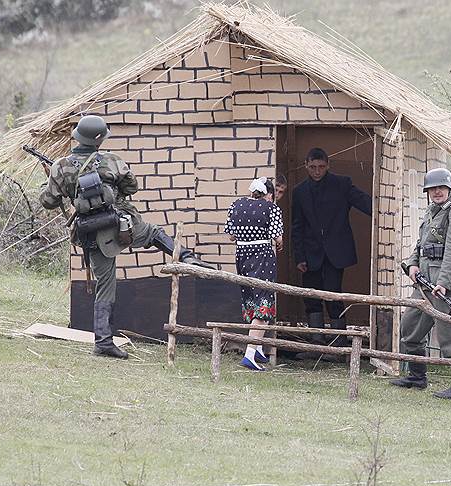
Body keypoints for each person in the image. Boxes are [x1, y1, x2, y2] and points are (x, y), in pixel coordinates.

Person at [40, 115, 212, 360]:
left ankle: (103, 342)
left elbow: (48, 202)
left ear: (79, 137)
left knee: (105, 286)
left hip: (90, 232)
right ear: (98, 140)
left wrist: (52, 181)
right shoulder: (112, 160)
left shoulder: (60, 166)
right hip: (120, 224)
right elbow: (132, 187)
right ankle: (186, 256)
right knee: (153, 233)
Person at [390, 168, 451, 399]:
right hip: (425, 284)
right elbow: (421, 245)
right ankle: (417, 377)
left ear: (449, 188)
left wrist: (445, 282)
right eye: (432, 188)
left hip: (446, 287)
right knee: (409, 328)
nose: (437, 192)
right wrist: (412, 265)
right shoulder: (432, 211)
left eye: (441, 187)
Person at [291, 148, 371, 338]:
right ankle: (316, 341)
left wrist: (386, 209)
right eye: (312, 167)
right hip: (310, 252)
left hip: (336, 251)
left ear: (328, 165)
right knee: (311, 295)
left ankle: (338, 341)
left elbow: (366, 203)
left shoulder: (342, 184)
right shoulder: (300, 191)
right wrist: (299, 256)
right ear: (306, 166)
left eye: (321, 167)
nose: (317, 171)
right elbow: (297, 226)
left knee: (333, 293)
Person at [225, 177, 284, 371]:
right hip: (262, 258)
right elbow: (277, 237)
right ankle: (249, 353)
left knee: (251, 299)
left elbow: (232, 235)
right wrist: (279, 244)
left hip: (242, 256)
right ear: (268, 194)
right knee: (264, 304)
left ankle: (257, 348)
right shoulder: (271, 208)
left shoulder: (237, 205)